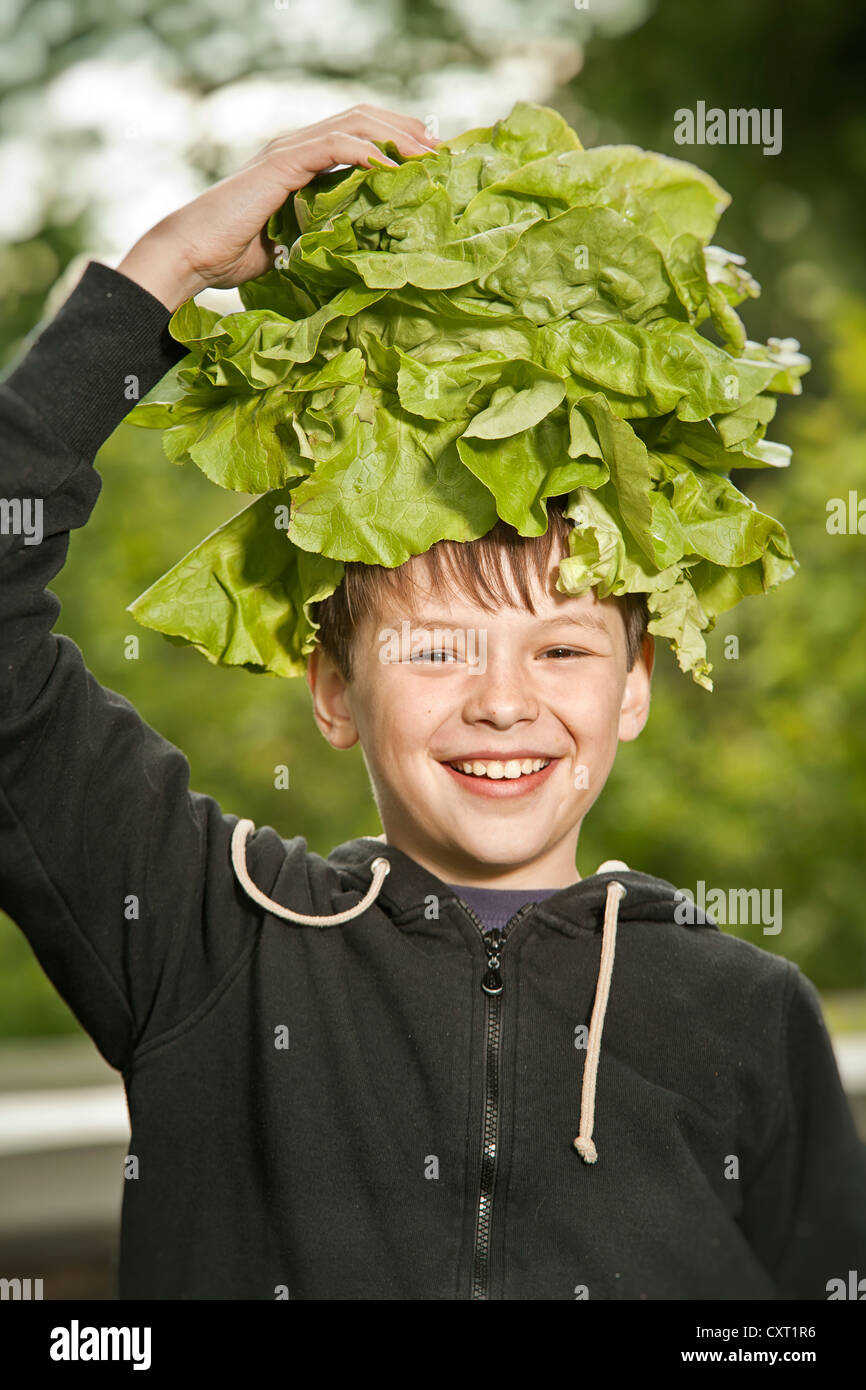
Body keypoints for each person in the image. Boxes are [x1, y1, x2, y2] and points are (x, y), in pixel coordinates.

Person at [1, 105, 864, 1301]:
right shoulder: (211, 940)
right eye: (437, 650)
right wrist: (169, 273)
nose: (502, 704)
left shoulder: (749, 1015)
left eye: (560, 650)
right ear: (332, 689)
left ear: (634, 688)